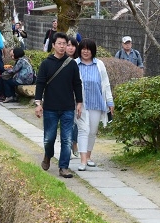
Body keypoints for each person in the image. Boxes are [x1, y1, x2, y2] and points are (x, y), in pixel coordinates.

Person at [34, 32, 83, 179]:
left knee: (67, 139)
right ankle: (48, 155)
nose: (62, 47)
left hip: (68, 107)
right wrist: (38, 103)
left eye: (65, 44)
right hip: (50, 108)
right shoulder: (46, 64)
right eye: (59, 44)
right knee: (49, 138)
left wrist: (79, 102)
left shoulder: (72, 64)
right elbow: (40, 84)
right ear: (53, 45)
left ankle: (64, 167)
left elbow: (77, 84)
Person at [74, 39, 114, 171]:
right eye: (83, 49)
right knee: (83, 129)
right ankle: (83, 160)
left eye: (88, 49)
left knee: (92, 131)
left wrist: (109, 101)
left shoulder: (99, 64)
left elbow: (105, 83)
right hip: (80, 104)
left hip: (97, 102)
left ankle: (89, 156)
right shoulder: (75, 64)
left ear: (93, 51)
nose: (86, 51)